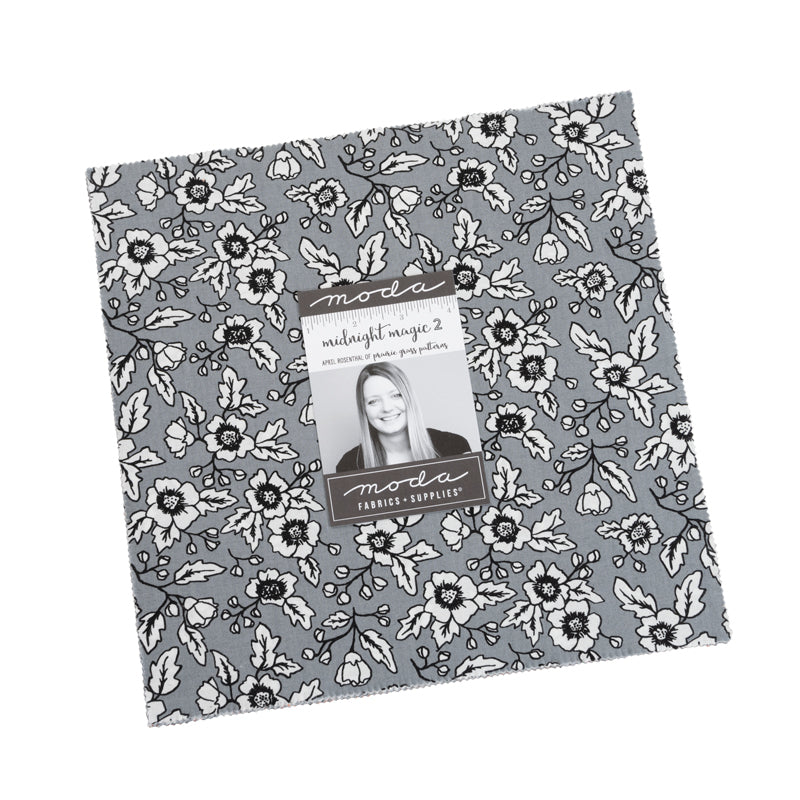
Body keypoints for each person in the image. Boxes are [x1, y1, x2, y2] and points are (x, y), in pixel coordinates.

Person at [335, 361, 471, 472]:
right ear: (364, 410)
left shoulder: (454, 447)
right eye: (373, 401)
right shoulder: (349, 465)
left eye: (396, 395)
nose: (387, 408)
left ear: (409, 398)